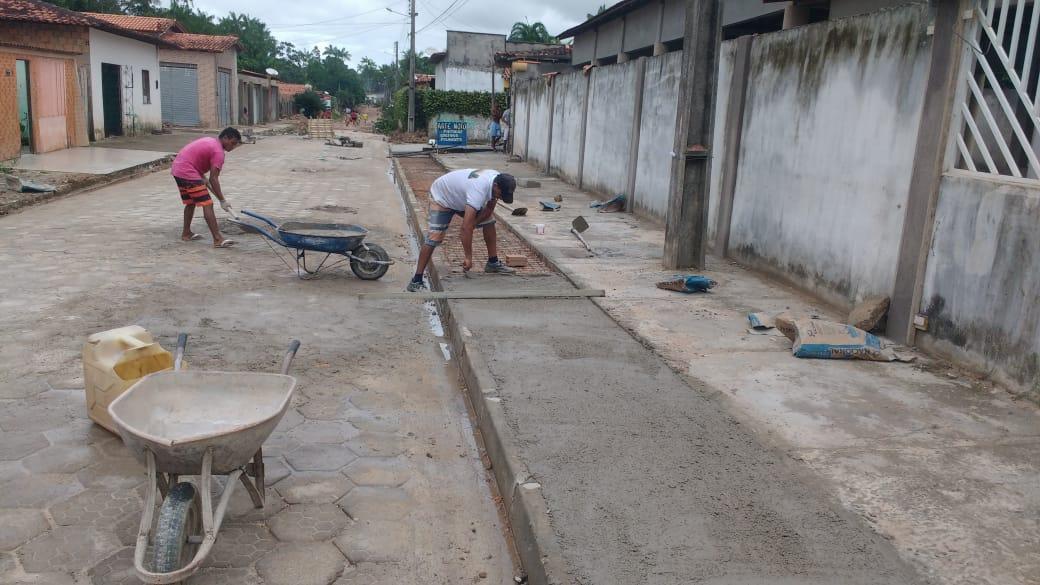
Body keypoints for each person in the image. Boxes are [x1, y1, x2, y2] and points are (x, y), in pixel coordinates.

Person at [407, 169, 517, 292]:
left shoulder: (497, 180)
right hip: (442, 198)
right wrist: (468, 257)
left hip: (461, 198)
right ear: (496, 186)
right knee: (434, 238)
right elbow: (465, 228)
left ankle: (492, 262)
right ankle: (416, 280)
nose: (501, 198)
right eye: (501, 195)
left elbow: (489, 209)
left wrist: (473, 223)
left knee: (489, 222)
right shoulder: (478, 190)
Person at [172, 127, 242, 248]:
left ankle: (186, 233)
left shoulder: (210, 141)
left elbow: (194, 157)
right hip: (187, 171)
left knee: (191, 202)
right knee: (207, 204)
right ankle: (217, 239)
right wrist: (222, 200)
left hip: (178, 169)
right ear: (225, 138)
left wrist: (200, 175)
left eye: (235, 144)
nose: (233, 147)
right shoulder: (218, 152)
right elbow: (213, 179)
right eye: (233, 143)